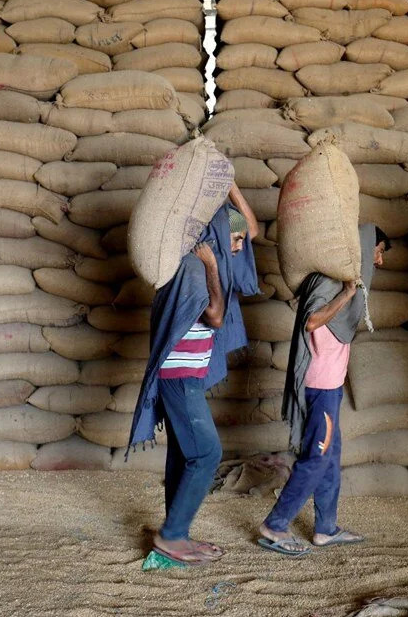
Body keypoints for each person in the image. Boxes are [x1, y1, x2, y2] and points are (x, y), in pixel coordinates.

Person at [127, 185, 259, 565]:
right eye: (231, 240)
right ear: (215, 237)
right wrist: (214, 266)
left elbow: (251, 231)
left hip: (185, 376)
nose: (239, 247)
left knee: (184, 453)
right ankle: (171, 536)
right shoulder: (193, 268)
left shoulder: (201, 259)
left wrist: (231, 189)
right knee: (207, 453)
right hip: (179, 378)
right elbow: (215, 316)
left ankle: (176, 530)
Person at [258, 225, 390, 556]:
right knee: (316, 458)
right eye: (379, 250)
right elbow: (312, 322)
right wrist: (346, 293)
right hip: (319, 386)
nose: (380, 260)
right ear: (365, 246)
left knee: (330, 458)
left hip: (330, 386)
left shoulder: (342, 282)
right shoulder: (332, 284)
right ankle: (275, 524)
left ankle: (325, 529)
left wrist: (350, 291)